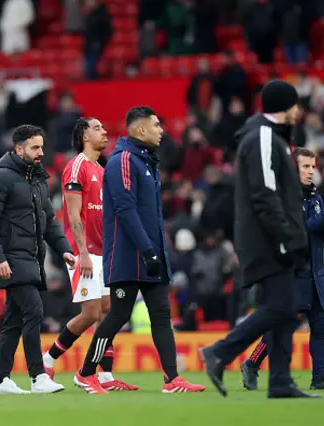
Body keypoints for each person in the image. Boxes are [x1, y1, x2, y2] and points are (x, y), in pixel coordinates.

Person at [72, 106, 205, 394]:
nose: (161, 130)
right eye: (156, 125)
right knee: (118, 315)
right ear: (141, 129)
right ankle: (85, 373)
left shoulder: (146, 161)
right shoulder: (124, 160)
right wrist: (147, 250)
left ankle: (172, 379)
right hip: (127, 255)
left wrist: (156, 251)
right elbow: (124, 208)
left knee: (161, 315)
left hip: (150, 254)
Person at [199, 80, 318, 399]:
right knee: (282, 305)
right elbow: (266, 196)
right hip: (268, 239)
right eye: (296, 105)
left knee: (284, 307)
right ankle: (219, 352)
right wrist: (291, 238)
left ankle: (279, 380)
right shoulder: (264, 137)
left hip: (272, 237)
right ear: (285, 106)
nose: (300, 111)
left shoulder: (272, 137)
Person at [241, 148, 324, 391]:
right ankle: (252, 363)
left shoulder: (315, 197)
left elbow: (322, 235)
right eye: (305, 167)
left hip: (315, 270)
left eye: (313, 167)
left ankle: (319, 377)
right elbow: (305, 227)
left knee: (320, 325)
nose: (311, 171)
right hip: (292, 272)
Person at [0, 124, 76, 394]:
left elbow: (49, 221)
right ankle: (37, 377)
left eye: (42, 146)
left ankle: (0, 380)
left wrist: (64, 249)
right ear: (18, 149)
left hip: (31, 257)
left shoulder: (37, 179)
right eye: (35, 147)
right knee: (34, 311)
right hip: (11, 257)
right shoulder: (1, 178)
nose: (41, 152)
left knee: (15, 319)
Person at [42, 118, 138, 391]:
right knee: (91, 312)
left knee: (109, 311)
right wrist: (81, 252)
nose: (105, 131)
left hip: (104, 252)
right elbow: (72, 213)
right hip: (83, 252)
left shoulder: (101, 169)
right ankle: (49, 359)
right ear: (84, 135)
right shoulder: (76, 167)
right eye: (97, 128)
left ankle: (105, 376)